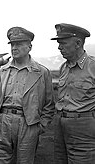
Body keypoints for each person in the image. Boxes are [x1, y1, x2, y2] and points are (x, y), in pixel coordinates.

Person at [0, 26, 55, 164]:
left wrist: (40, 126)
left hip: (28, 123)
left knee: (25, 161)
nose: (14, 48)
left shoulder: (42, 72)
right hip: (2, 121)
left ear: (29, 47)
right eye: (12, 44)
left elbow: (49, 104)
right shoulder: (3, 71)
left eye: (19, 44)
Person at [51, 23, 95, 164]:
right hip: (60, 125)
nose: (59, 47)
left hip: (83, 127)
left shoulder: (93, 66)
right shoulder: (64, 67)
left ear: (78, 43)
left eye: (63, 43)